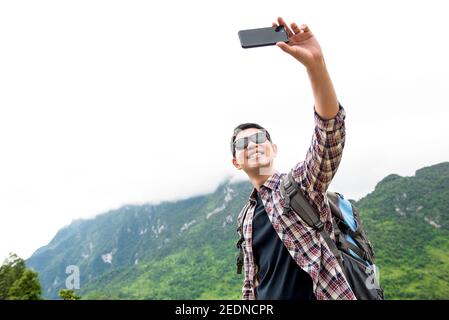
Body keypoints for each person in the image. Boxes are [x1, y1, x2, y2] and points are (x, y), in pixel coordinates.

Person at [231, 17, 356, 300]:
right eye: (243, 143)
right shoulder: (246, 217)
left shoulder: (298, 186)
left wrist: (316, 65)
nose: (254, 144)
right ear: (236, 162)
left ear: (274, 149)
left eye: (260, 138)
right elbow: (252, 282)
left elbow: (329, 136)